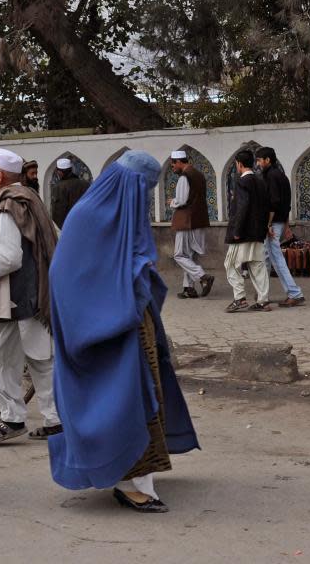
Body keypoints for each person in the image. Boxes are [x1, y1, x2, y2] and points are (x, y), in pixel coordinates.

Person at [48, 150, 200, 513]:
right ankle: (129, 482)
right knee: (120, 402)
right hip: (103, 332)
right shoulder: (86, 217)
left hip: (132, 325)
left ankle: (137, 477)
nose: (144, 198)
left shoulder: (124, 217)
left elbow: (134, 265)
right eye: (142, 190)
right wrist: (115, 307)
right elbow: (65, 279)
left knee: (146, 396)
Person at [0, 148, 61, 444]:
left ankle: (12, 416)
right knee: (40, 359)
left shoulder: (7, 206)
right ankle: (55, 419)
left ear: (0, 176)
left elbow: (9, 258)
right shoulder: (31, 200)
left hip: (11, 297)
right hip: (35, 294)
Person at [224, 150, 272, 313]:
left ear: (239, 163)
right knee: (257, 265)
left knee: (230, 264)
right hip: (257, 232)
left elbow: (242, 207)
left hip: (243, 233)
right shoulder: (260, 181)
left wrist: (237, 230)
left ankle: (240, 298)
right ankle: (263, 301)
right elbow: (266, 207)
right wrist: (265, 227)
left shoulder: (242, 182)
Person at [256, 147, 304, 307]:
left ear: (267, 160)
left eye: (259, 160)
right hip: (278, 221)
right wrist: (286, 225)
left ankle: (294, 293)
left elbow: (274, 202)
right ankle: (262, 292)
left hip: (273, 222)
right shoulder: (281, 175)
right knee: (266, 256)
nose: (258, 163)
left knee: (276, 258)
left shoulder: (271, 176)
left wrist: (268, 224)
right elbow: (286, 203)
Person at [168, 150, 215, 299]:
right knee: (190, 256)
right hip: (199, 219)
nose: (172, 167)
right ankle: (189, 288)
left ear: (180, 162)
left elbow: (181, 200)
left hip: (187, 220)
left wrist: (171, 202)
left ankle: (203, 277)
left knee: (179, 255)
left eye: (173, 164)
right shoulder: (199, 175)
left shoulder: (184, 177)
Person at [50, 158, 90, 229]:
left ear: (60, 172)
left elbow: (58, 213)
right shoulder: (85, 184)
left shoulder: (59, 187)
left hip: (68, 228)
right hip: (85, 225)